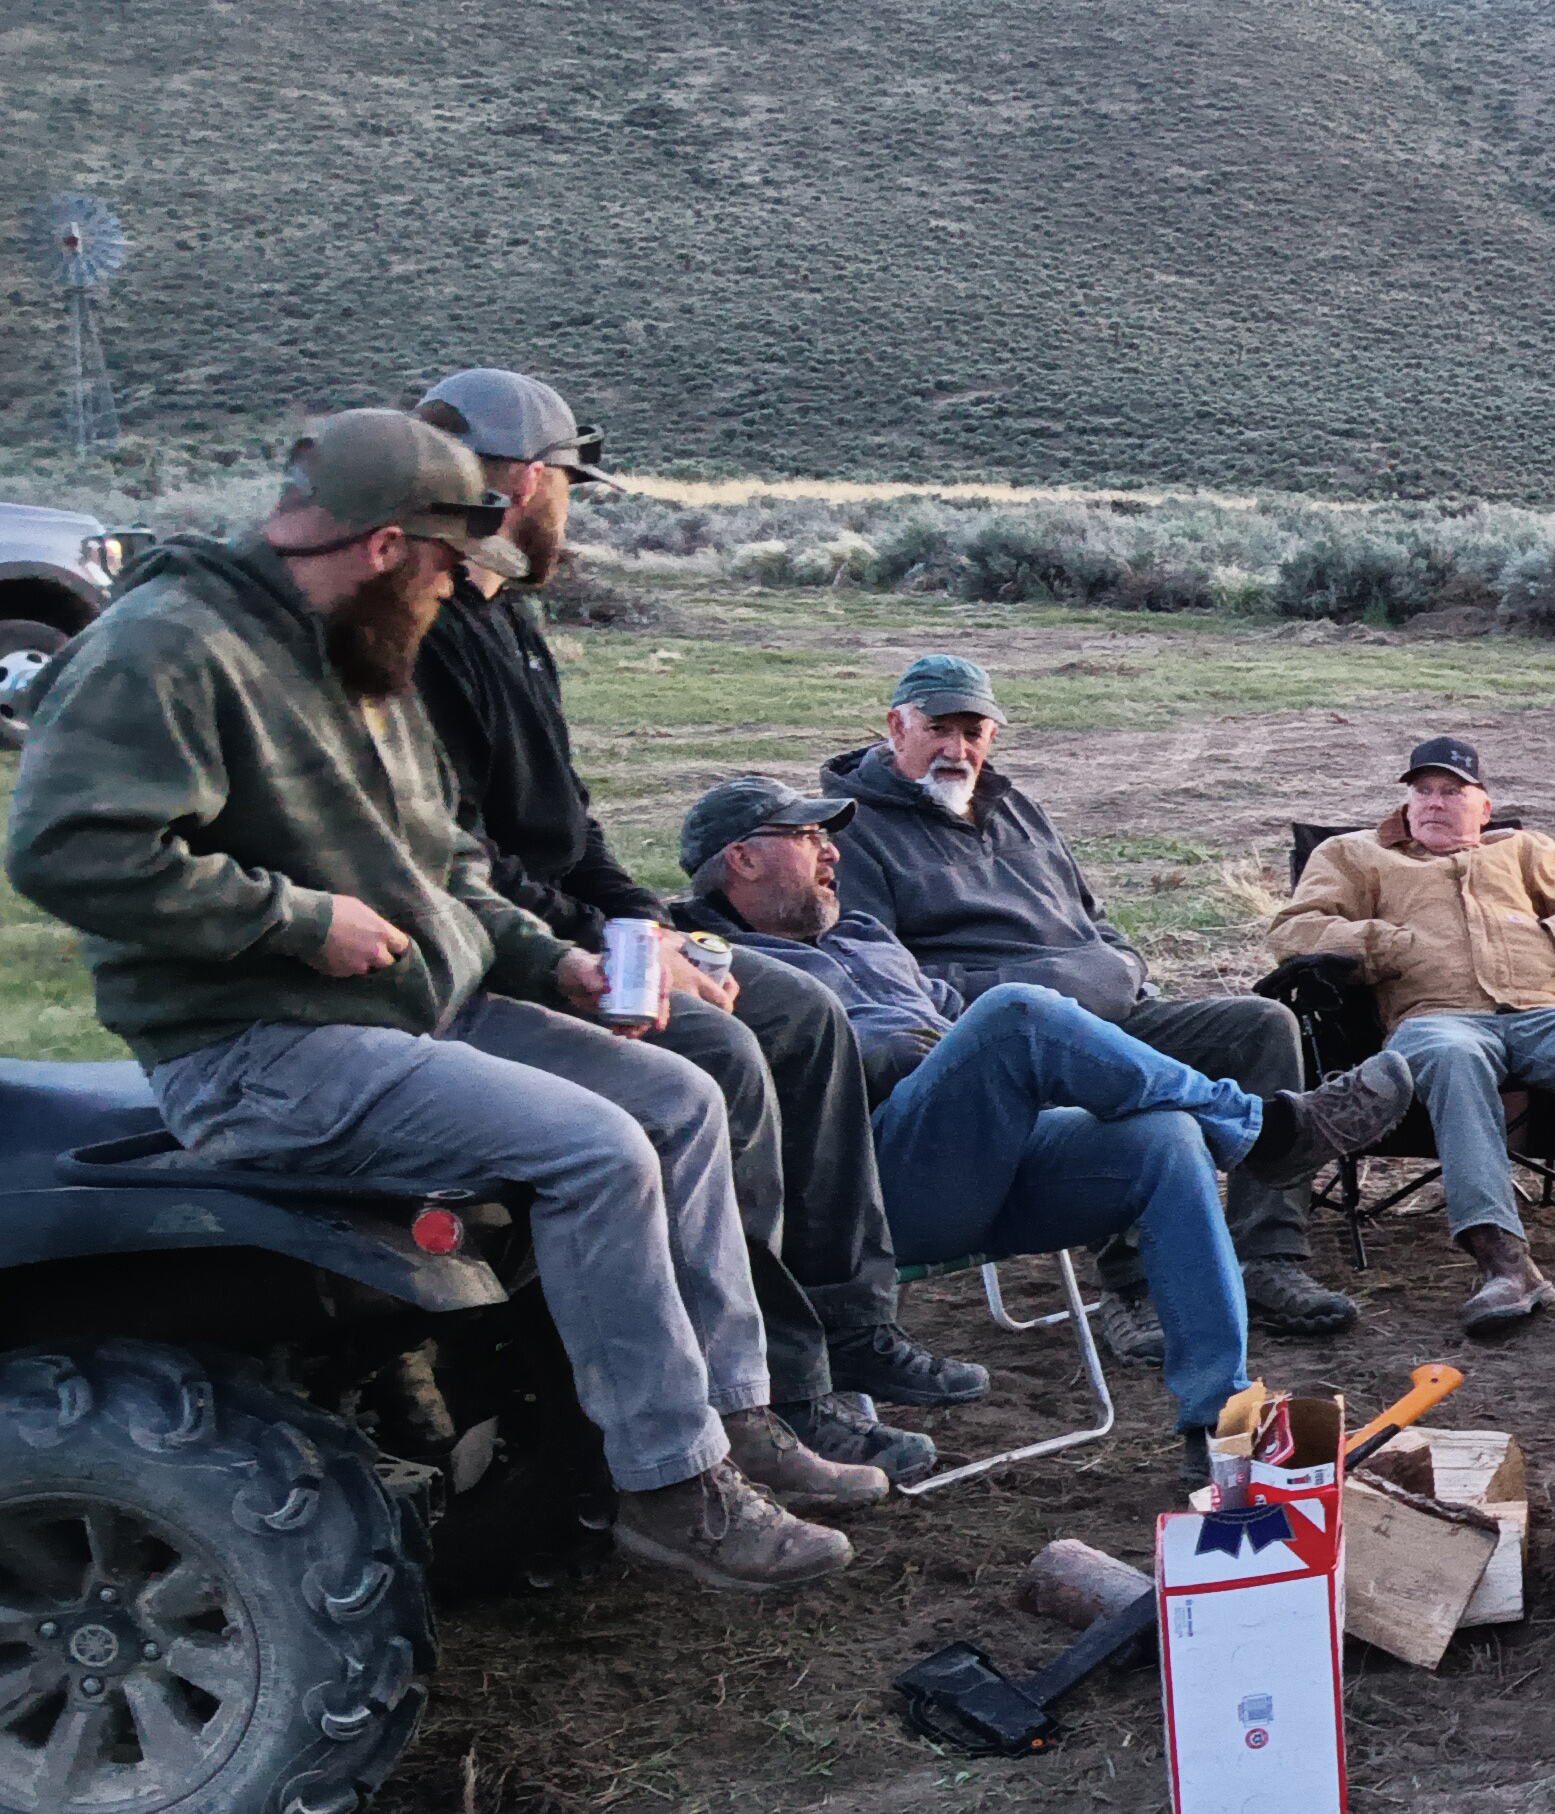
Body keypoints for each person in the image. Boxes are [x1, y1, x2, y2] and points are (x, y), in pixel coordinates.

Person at [2, 413, 869, 1593]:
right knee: (598, 1149)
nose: (464, 587)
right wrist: (298, 921)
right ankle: (670, 1489)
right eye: (454, 562)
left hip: (413, 1014)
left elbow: (445, 869)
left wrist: (549, 965)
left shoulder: (355, 655)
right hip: (259, 1044)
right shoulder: (168, 647)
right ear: (384, 545)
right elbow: (68, 851)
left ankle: (734, 1413)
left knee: (674, 1096)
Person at [407, 367, 977, 1491]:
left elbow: (571, 832)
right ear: (525, 481)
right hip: (496, 954)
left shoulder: (509, 619)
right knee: (717, 1052)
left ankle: (846, 1328)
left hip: (578, 923)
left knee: (804, 1012)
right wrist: (616, 947)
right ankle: (766, 1393)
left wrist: (649, 922)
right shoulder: (423, 638)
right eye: (567, 485)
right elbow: (465, 860)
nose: (569, 507)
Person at [680, 778, 1412, 1481]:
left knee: (1167, 1138)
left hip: (983, 1149)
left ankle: (1216, 1420)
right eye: (808, 836)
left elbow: (948, 1013)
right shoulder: (703, 965)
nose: (832, 851)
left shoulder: (865, 934)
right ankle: (1263, 1131)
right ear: (742, 858)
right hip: (870, 1190)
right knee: (1016, 1015)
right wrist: (938, 1055)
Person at [817, 656, 1359, 1354]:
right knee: (1092, 1064)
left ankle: (1270, 1257)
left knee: (1259, 1024)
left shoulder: (1016, 806)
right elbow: (879, 970)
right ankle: (1132, 1287)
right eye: (938, 730)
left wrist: (1125, 965)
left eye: (973, 731)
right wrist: (1044, 997)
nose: (957, 750)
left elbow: (1091, 915)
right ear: (897, 726)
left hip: (1113, 1006)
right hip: (1006, 1040)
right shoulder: (852, 831)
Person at [1263, 734, 1555, 1332]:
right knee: (1455, 1060)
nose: (1433, 803)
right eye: (1422, 791)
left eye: (1452, 791)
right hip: (1434, 1018)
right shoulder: (1355, 855)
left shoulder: (1524, 851)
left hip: (1540, 1013)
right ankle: (1504, 1261)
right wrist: (1386, 943)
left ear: (1483, 806)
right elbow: (1295, 931)